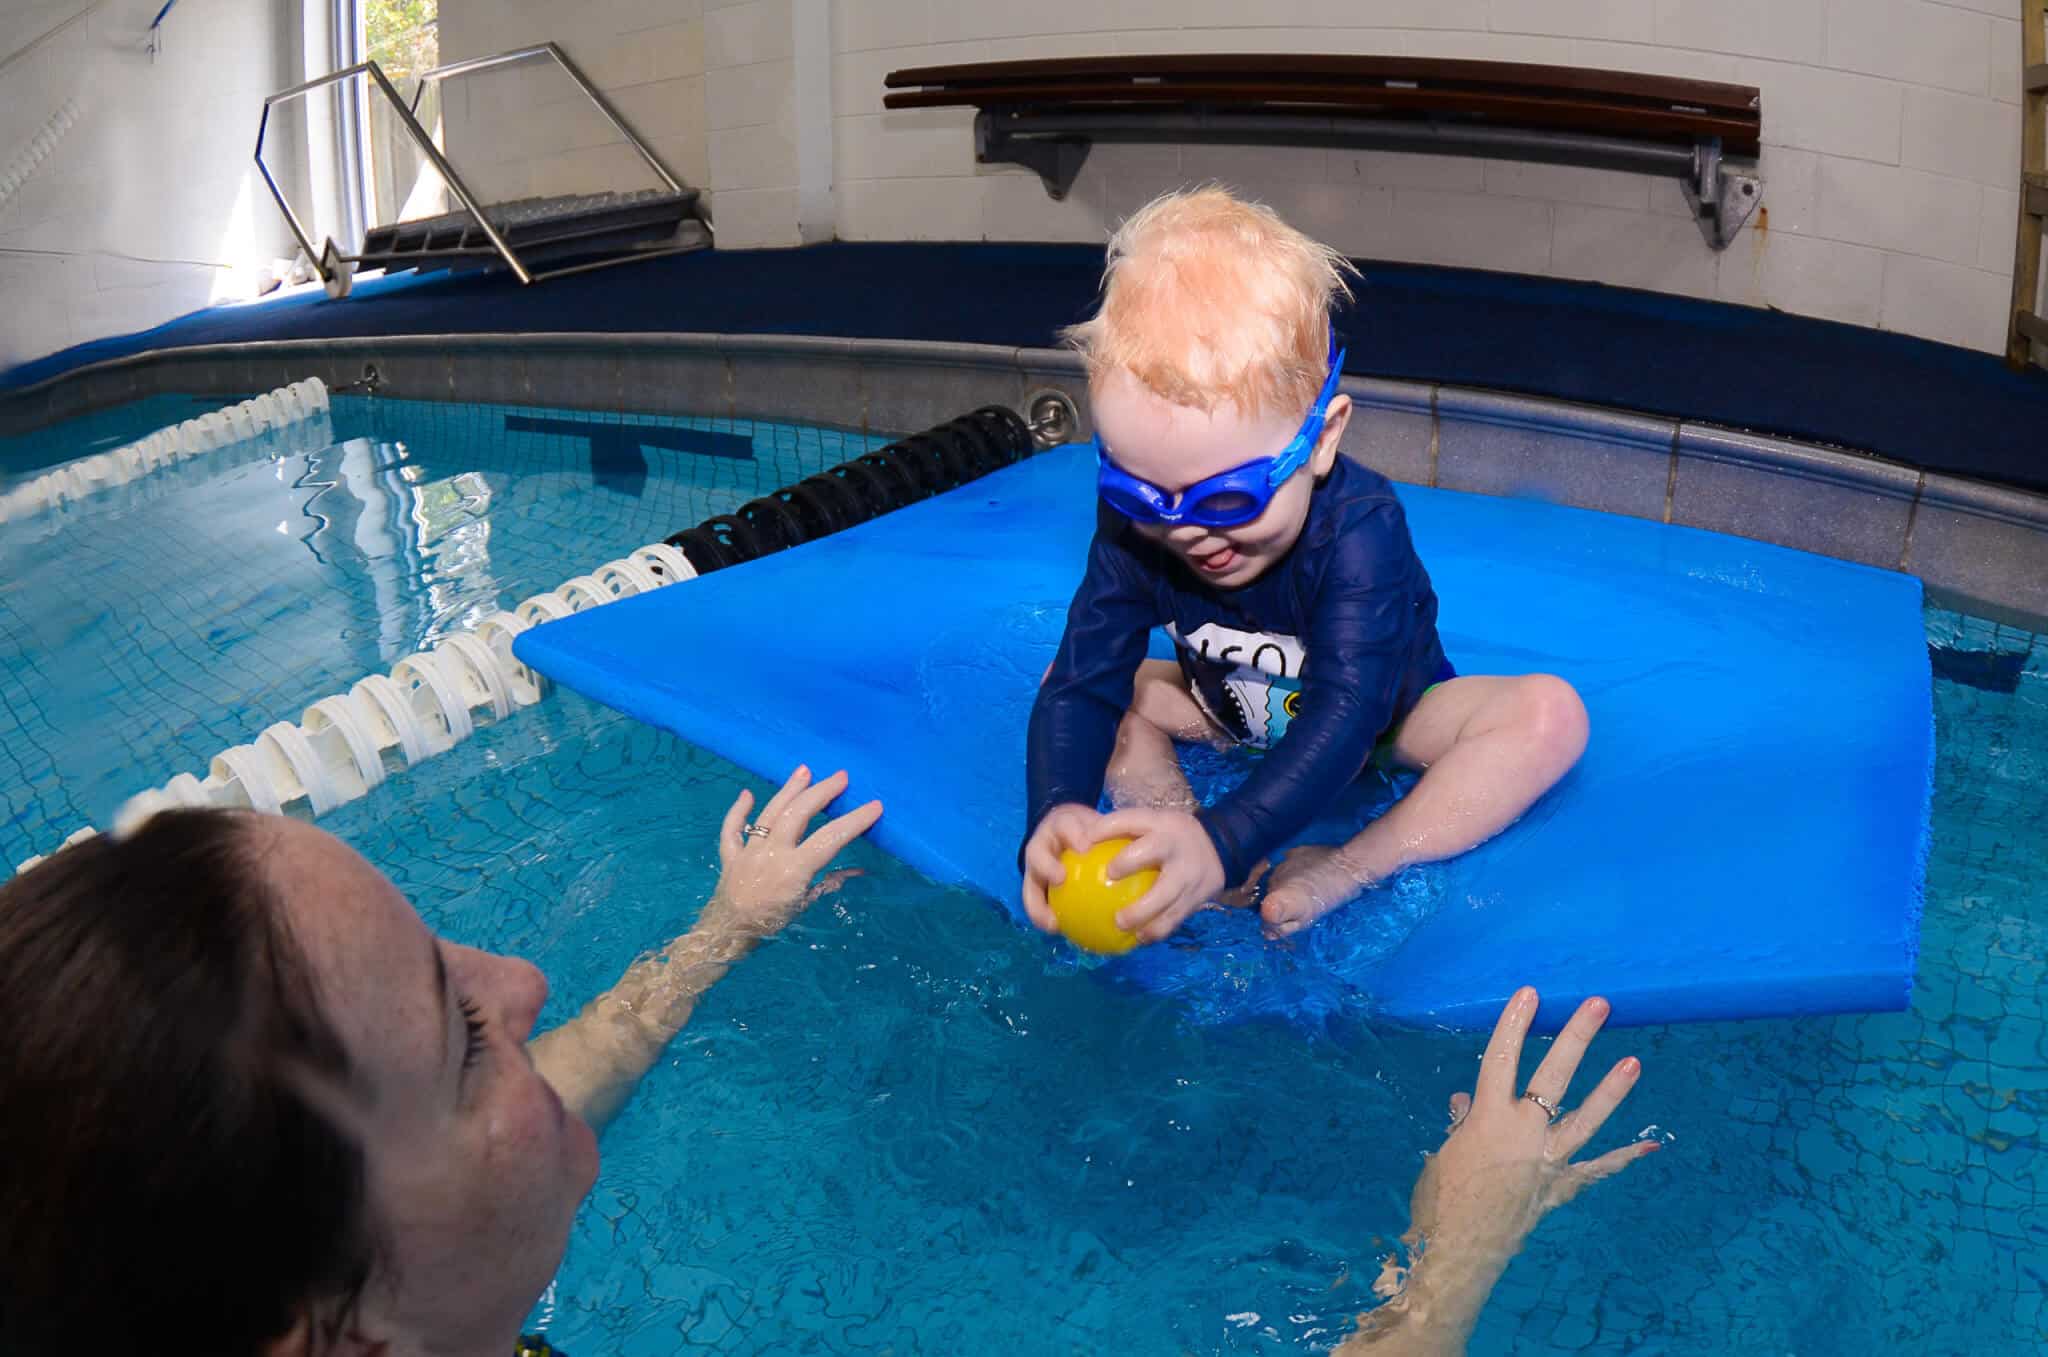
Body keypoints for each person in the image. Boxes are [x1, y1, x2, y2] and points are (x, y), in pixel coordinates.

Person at [0, 766, 1650, 1356]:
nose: (523, 974)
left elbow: (537, 1105)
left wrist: (720, 931)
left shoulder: (353, 1282)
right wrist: (1456, 1244)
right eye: (461, 1026)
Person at [1022, 187, 1589, 946]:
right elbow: (1084, 676)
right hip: (1221, 708)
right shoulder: (1138, 528)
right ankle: (1174, 828)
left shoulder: (1361, 528)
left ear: (1321, 440)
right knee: (1087, 692)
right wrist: (1057, 806)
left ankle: (1348, 863)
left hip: (1383, 725)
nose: (1184, 529)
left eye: (1226, 497)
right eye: (1140, 491)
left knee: (1549, 717)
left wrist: (1234, 835)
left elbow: (1349, 710)